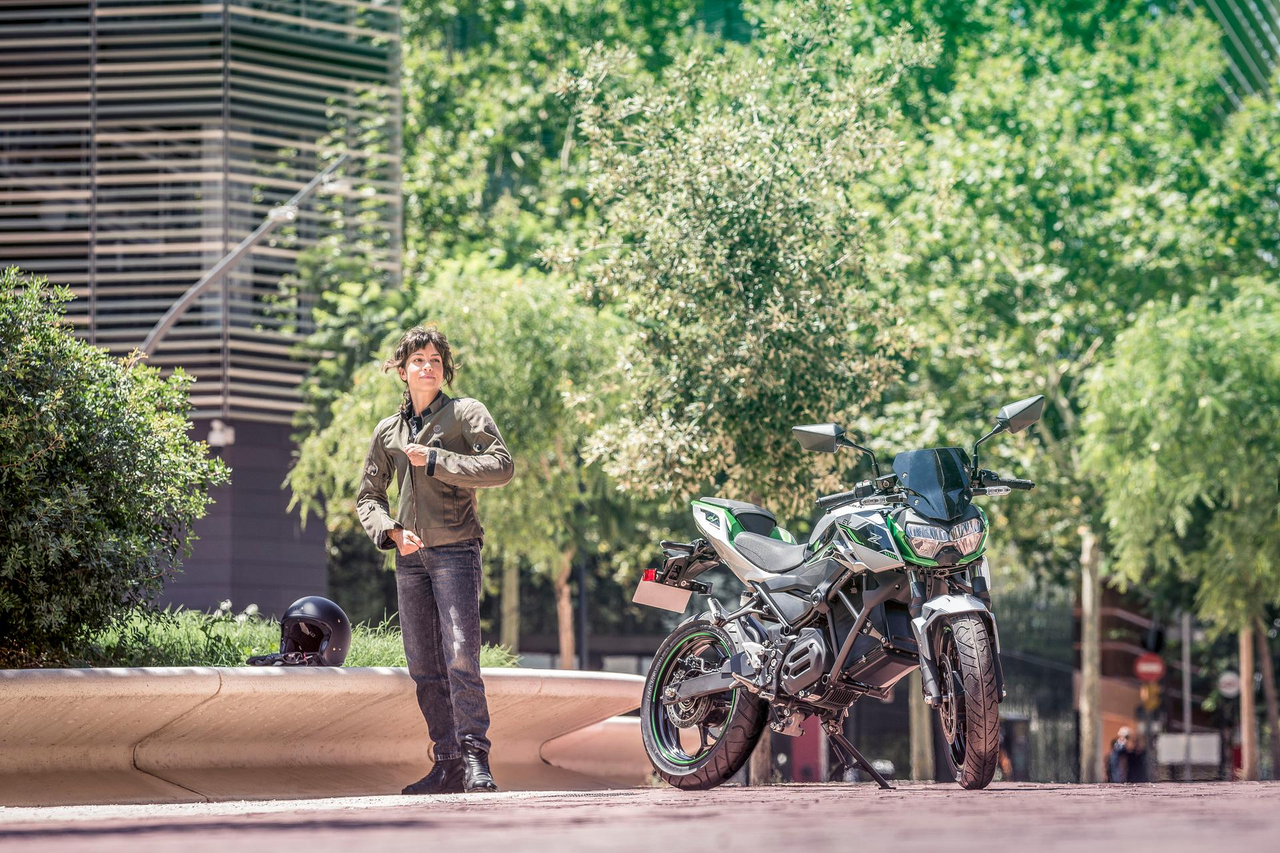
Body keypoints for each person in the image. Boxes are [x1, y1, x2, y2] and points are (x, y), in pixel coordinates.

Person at [357, 326, 514, 794]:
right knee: (424, 666)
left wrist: (436, 459)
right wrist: (390, 531)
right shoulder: (388, 430)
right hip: (410, 560)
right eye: (418, 360)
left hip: (456, 552)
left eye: (435, 361)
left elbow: (501, 465)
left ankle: (475, 758)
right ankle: (447, 763)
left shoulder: (465, 413)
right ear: (402, 371)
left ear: (444, 370)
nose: (427, 367)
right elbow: (368, 497)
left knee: (461, 656)